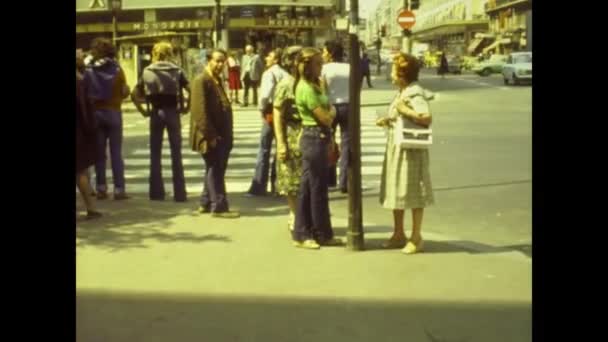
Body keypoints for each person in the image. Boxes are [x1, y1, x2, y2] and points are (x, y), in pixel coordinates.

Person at [376, 52, 435, 254]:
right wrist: (388, 120)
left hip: (411, 150)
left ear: (402, 74)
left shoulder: (414, 93)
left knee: (414, 192)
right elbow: (399, 116)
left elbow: (426, 118)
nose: (389, 74)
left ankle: (416, 237)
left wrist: (405, 110)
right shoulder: (402, 90)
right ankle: (398, 233)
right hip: (398, 147)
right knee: (397, 191)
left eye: (392, 70)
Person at [292, 47, 342, 249]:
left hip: (319, 137)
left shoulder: (316, 85)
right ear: (307, 66)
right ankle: (313, 234)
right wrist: (332, 111)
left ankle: (308, 232)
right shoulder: (305, 88)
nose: (322, 67)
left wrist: (330, 111)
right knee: (315, 188)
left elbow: (328, 112)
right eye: (318, 64)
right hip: (313, 137)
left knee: (311, 187)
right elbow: (325, 117)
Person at [130, 41, 189, 202]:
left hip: (156, 112)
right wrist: (186, 108)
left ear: (155, 54)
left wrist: (143, 111)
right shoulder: (177, 70)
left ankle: (156, 193)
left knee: (155, 154)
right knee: (176, 153)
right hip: (172, 112)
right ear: (169, 53)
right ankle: (180, 194)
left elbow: (134, 94)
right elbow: (190, 90)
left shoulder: (147, 71)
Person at [190, 48, 240, 218]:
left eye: (222, 61)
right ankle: (219, 206)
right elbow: (199, 112)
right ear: (208, 60)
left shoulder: (215, 80)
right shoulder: (201, 80)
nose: (220, 65)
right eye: (217, 61)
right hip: (210, 135)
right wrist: (210, 136)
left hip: (221, 133)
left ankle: (205, 201)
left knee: (213, 167)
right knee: (215, 168)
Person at [83, 37, 130, 200]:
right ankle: (119, 189)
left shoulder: (89, 70)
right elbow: (125, 92)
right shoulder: (118, 69)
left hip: (96, 113)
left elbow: (85, 92)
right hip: (114, 112)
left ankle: (101, 188)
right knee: (116, 153)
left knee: (99, 154)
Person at [246, 48, 290, 196]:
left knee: (264, 149)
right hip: (284, 113)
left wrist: (261, 109)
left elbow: (265, 95)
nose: (266, 58)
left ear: (276, 60)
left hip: (271, 112)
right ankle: (277, 184)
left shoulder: (269, 73)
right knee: (280, 148)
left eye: (269, 56)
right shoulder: (286, 74)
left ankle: (259, 186)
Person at [273, 45, 304, 232]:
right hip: (292, 134)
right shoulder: (285, 84)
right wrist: (281, 142)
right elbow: (277, 112)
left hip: (308, 133)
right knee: (290, 178)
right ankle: (294, 214)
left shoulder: (312, 81)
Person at [321, 40, 350, 193]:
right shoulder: (349, 68)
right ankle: (344, 181)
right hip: (348, 105)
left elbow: (321, 89)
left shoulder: (324, 69)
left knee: (327, 142)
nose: (323, 55)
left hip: (330, 106)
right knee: (347, 145)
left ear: (330, 54)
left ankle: (328, 179)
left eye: (324, 52)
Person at [77, 61, 102, 220]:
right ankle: (91, 208)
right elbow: (86, 109)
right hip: (79, 131)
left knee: (81, 171)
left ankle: (91, 208)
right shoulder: (80, 82)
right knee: (81, 171)